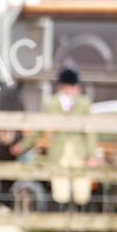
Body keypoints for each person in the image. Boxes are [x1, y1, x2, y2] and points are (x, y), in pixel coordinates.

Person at [12, 67, 97, 219]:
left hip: (79, 152)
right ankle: (61, 225)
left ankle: (80, 224)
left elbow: (90, 131)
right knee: (60, 189)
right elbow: (40, 128)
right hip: (59, 151)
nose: (75, 88)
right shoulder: (51, 104)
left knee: (81, 190)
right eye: (71, 85)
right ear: (63, 86)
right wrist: (24, 145)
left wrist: (91, 154)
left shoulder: (84, 103)